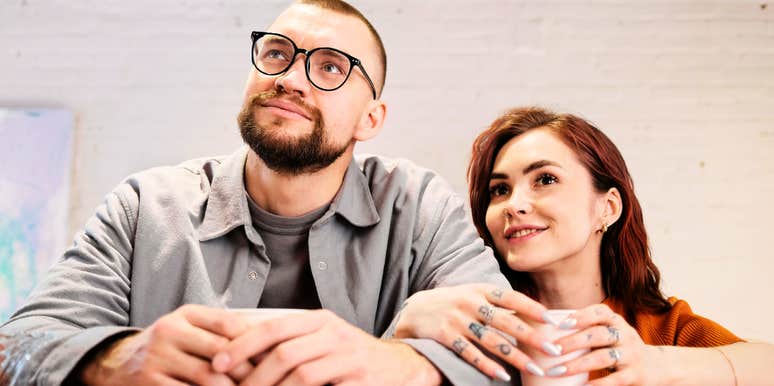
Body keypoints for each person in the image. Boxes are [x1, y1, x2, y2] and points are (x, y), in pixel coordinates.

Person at [0, 2, 551, 385]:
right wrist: (114, 357)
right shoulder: (145, 206)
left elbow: (514, 352)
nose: (291, 77)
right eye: (276, 53)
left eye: (331, 67)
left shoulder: (420, 207)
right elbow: (16, 346)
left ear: (371, 118)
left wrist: (395, 364)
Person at [392, 106, 774, 384]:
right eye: (499, 190)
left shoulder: (658, 328)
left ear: (606, 208)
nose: (514, 205)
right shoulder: (468, 322)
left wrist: (654, 365)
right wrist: (402, 327)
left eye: (545, 179)